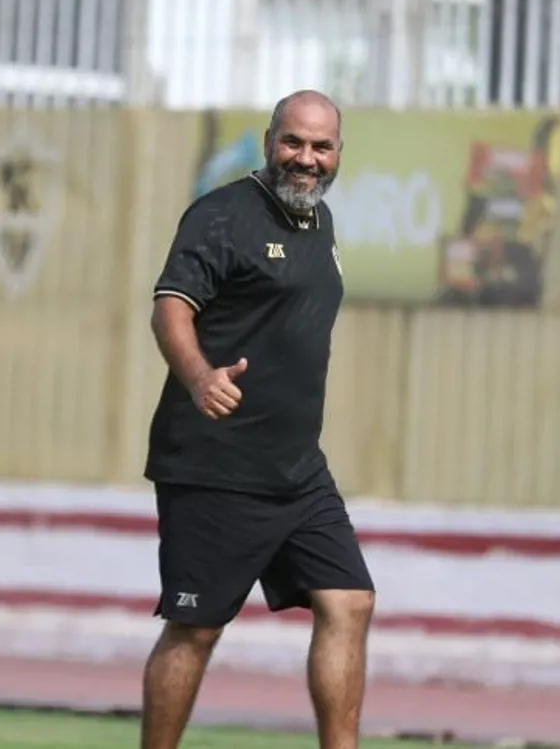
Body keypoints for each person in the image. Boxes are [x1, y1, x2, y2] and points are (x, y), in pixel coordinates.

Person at [140, 89, 376, 749]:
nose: (307, 158)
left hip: (296, 470)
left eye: (321, 146)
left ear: (338, 153)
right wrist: (199, 376)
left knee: (349, 602)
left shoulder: (319, 221)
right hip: (216, 463)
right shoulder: (221, 215)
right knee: (195, 629)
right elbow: (170, 307)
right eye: (293, 142)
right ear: (271, 141)